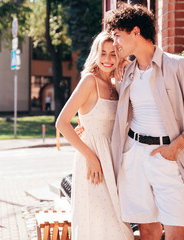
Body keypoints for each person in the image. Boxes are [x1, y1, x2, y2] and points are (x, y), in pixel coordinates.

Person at [105, 3, 184, 240]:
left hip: (167, 156)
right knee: (146, 229)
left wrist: (176, 146)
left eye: (117, 36)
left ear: (136, 32)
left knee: (176, 232)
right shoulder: (128, 72)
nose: (115, 43)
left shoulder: (177, 66)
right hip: (133, 155)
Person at [55, 31, 134, 240]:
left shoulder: (115, 87)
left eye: (113, 54)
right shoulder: (89, 81)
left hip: (113, 159)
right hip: (92, 163)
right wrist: (91, 157)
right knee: (97, 222)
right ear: (95, 54)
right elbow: (62, 122)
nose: (107, 59)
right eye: (103, 53)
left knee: (117, 223)